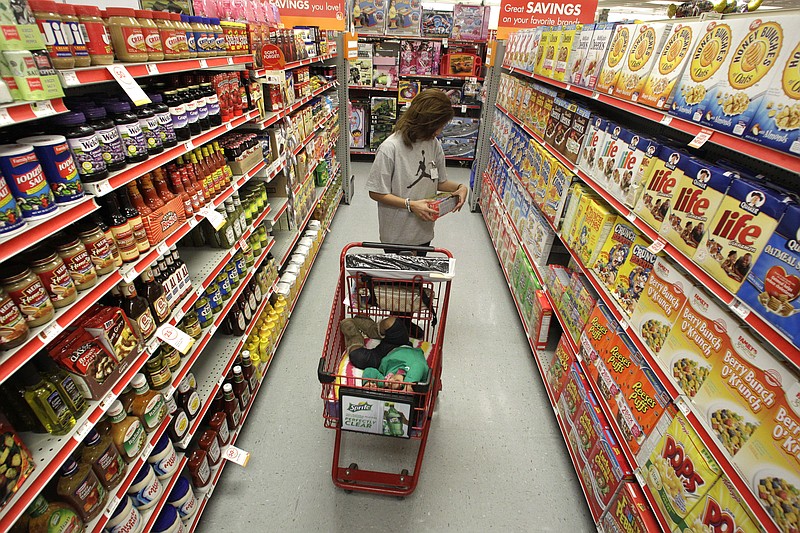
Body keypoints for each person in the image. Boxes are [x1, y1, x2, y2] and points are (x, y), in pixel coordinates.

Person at [366, 89, 469, 249]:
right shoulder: (390, 148)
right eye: (436, 126)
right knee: (399, 273)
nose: (438, 132)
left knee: (419, 274)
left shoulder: (433, 143)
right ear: (423, 121)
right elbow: (376, 192)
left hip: (423, 231)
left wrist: (460, 188)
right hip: (396, 235)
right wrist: (410, 205)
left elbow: (439, 182)